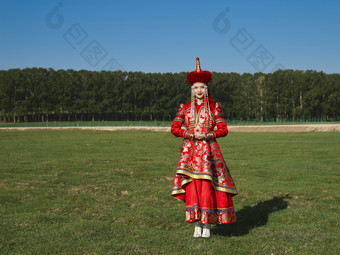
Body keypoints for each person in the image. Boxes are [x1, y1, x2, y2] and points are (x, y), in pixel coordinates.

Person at [171, 57, 237, 238]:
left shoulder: (215, 107)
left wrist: (207, 135)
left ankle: (207, 224)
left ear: (206, 89)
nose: (199, 90)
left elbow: (223, 129)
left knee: (207, 186)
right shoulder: (183, 108)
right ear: (192, 90)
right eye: (196, 88)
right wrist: (190, 134)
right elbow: (174, 128)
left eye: (202, 87)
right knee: (193, 186)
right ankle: (196, 223)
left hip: (209, 153)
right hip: (190, 152)